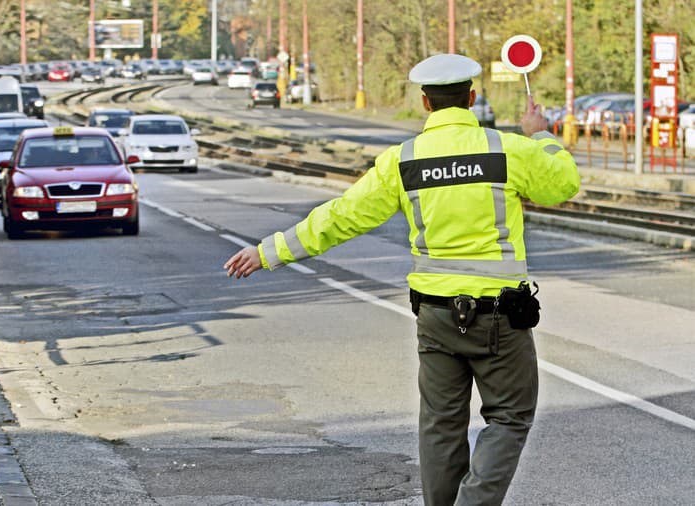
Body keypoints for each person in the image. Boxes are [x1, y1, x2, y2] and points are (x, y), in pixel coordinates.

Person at [224, 53, 580, 505]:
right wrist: (541, 133)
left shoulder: (404, 161)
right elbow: (564, 183)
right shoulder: (506, 151)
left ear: (425, 103)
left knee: (440, 425)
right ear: (472, 98)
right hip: (500, 319)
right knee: (508, 418)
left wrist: (266, 252)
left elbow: (339, 218)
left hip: (435, 318)